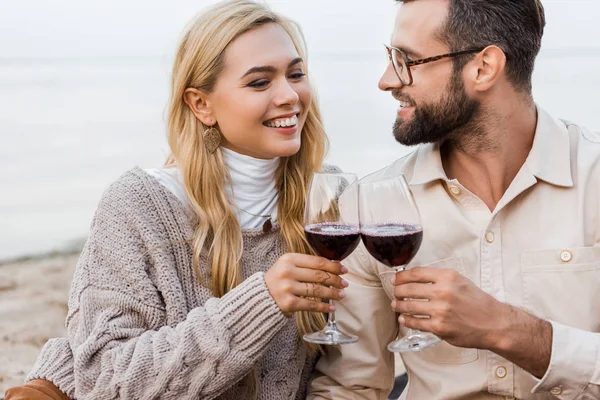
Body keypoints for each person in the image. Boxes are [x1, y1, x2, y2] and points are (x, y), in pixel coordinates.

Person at [4, 1, 350, 399]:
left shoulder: (332, 200)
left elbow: (357, 364)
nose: (290, 95)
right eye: (260, 82)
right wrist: (262, 300)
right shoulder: (139, 205)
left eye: (296, 74)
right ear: (201, 105)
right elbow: (104, 380)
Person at [308, 0, 600, 399]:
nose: (386, 80)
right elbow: (350, 387)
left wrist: (505, 328)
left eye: (406, 59)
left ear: (483, 68)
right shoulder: (370, 204)